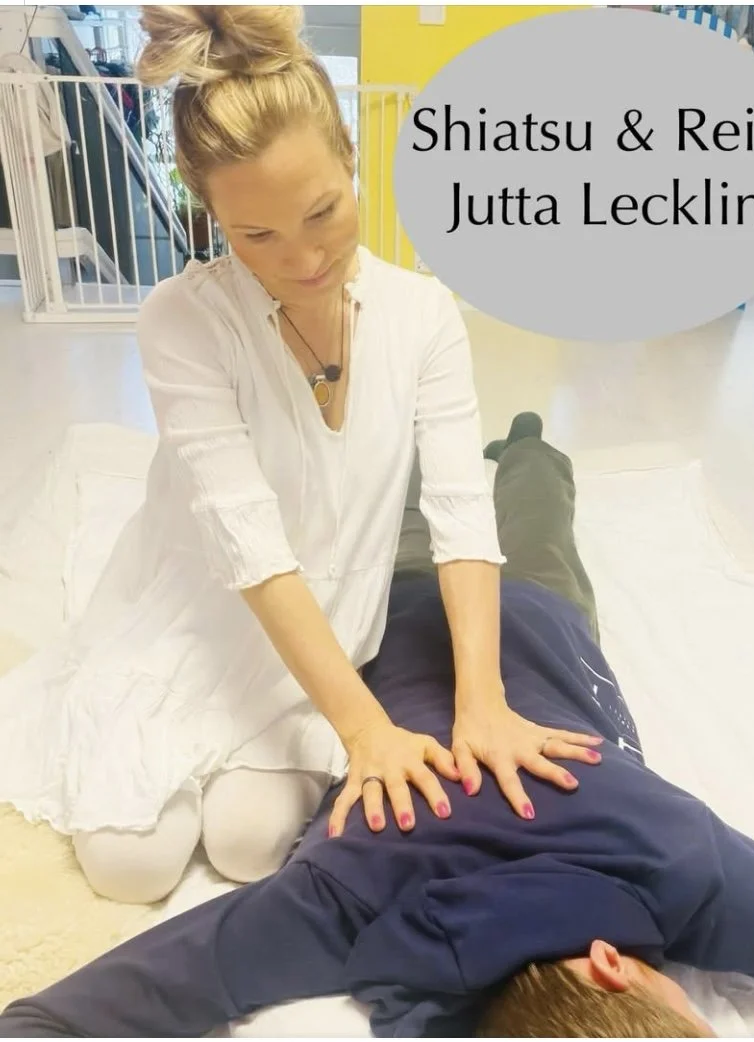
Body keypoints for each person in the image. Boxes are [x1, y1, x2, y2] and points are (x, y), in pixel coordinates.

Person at [0, 6, 594, 904]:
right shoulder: (180, 321)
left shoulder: (423, 314)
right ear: (211, 215)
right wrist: (364, 732)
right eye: (256, 236)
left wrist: (483, 702)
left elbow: (461, 513)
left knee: (248, 845)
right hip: (203, 618)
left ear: (350, 158)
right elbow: (249, 543)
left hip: (328, 624)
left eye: (323, 212)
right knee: (131, 865)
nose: (305, 257)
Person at [3, 416, 754, 1040]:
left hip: (505, 617)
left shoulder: (678, 858)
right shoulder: (346, 898)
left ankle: (515, 443)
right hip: (431, 614)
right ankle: (482, 437)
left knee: (520, 526)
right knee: (441, 510)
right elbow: (79, 1011)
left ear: (612, 968)